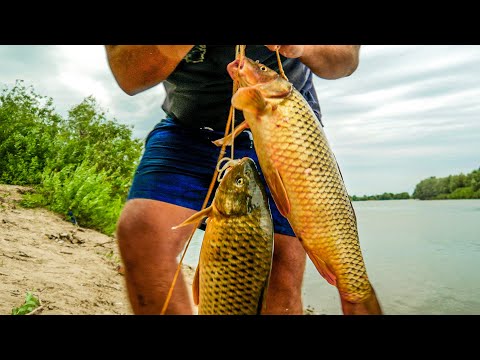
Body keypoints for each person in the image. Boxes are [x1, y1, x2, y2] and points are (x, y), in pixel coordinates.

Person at [104, 45, 361, 315]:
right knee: (142, 231)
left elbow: (346, 60)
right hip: (189, 123)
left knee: (283, 269)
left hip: (285, 127)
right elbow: (128, 76)